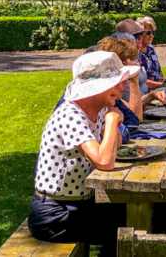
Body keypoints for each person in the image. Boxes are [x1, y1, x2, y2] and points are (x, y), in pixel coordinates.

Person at [28, 51, 138, 253]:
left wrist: (111, 125)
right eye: (118, 82)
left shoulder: (99, 108)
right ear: (97, 87)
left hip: (79, 205)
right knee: (130, 228)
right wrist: (112, 122)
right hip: (54, 214)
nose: (123, 87)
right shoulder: (70, 115)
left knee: (137, 217)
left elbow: (115, 147)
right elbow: (104, 162)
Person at [136, 16, 164, 90]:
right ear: (140, 33)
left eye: (153, 32)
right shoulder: (135, 53)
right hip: (147, 92)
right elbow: (141, 81)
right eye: (148, 32)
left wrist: (161, 85)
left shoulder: (151, 48)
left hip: (158, 88)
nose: (151, 35)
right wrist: (161, 85)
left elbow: (159, 71)